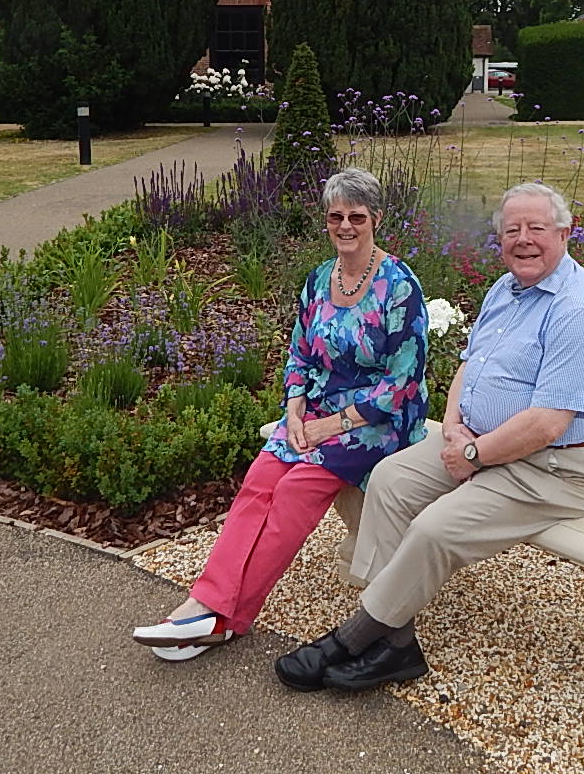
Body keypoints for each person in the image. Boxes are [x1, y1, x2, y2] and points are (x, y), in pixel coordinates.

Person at [274, 180, 584, 692]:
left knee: (435, 529)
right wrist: (456, 424)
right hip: (479, 441)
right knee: (389, 480)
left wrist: (475, 454)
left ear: (565, 234)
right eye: (512, 230)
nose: (523, 240)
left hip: (557, 467)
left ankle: (352, 637)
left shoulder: (579, 308)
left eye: (537, 228)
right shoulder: (506, 289)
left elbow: (548, 423)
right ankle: (396, 644)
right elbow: (468, 365)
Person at [132, 166, 429, 660]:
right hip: (316, 414)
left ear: (376, 218)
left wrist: (329, 425)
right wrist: (293, 410)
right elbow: (299, 355)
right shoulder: (318, 280)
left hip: (375, 423)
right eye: (335, 216)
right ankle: (205, 604)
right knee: (260, 479)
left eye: (356, 216)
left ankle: (225, 619)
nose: (345, 226)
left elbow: (403, 384)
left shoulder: (399, 286)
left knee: (294, 490)